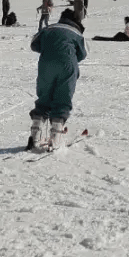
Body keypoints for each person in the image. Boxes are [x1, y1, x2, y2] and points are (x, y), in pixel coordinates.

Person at [28, 8, 87, 151]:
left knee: (44, 97)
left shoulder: (49, 28)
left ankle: (35, 135)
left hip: (46, 65)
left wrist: (50, 49)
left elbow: (34, 44)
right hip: (67, 65)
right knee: (62, 97)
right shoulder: (76, 33)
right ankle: (56, 136)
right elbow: (83, 53)